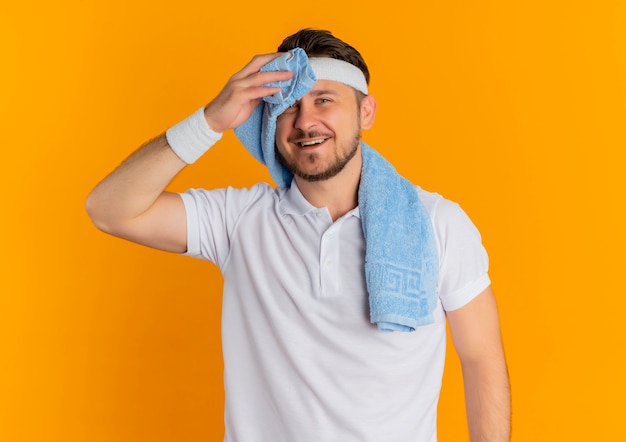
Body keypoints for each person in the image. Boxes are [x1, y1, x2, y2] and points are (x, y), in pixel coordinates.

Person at [86, 29, 510, 441]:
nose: (305, 122)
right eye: (288, 107)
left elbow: (480, 360)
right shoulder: (238, 220)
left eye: (324, 100)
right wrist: (211, 121)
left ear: (366, 112)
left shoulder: (437, 223)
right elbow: (109, 210)